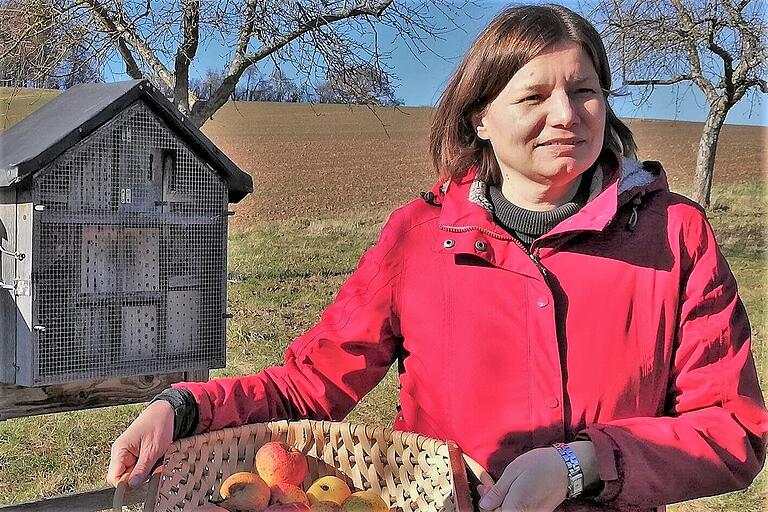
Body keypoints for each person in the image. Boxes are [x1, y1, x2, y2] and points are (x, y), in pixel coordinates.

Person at [108, 4, 768, 511]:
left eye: (585, 91)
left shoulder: (674, 235)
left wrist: (582, 464)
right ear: (480, 117)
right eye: (534, 96)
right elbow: (312, 384)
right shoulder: (419, 238)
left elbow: (733, 430)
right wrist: (183, 409)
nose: (566, 114)